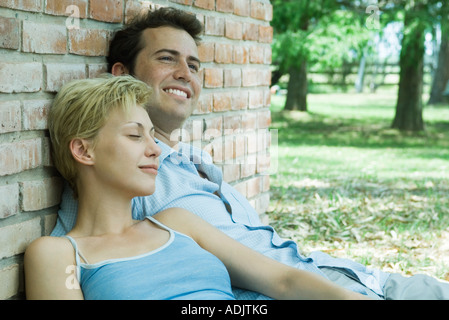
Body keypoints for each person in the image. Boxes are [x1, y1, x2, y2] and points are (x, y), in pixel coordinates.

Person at [50, 7, 449, 299]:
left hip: (340, 279)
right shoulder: (128, 183)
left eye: (193, 64)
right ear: (123, 76)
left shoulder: (189, 164)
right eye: (166, 58)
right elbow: (85, 218)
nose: (186, 73)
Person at [24, 75, 370, 300]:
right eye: (134, 135)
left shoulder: (177, 222)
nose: (154, 148)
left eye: (151, 135)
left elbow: (283, 281)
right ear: (84, 150)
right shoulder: (58, 254)